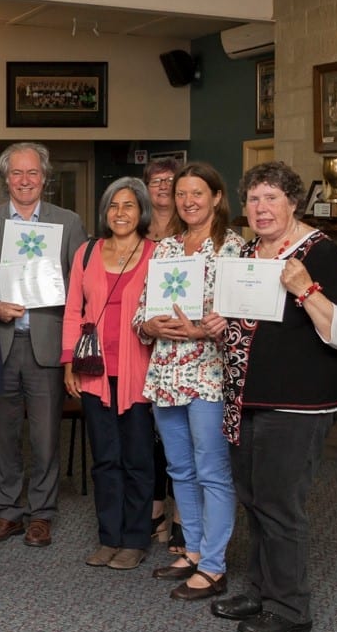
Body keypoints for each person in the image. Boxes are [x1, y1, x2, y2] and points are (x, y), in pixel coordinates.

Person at [216, 161, 337, 632]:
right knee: (255, 500)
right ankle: (261, 589)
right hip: (247, 397)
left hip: (297, 404)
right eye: (254, 199)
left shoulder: (320, 253)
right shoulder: (246, 251)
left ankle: (290, 606)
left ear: (293, 203)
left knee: (281, 504)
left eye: (272, 198)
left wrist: (305, 289)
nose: (261, 209)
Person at [134, 162, 244, 602]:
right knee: (179, 467)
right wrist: (151, 326)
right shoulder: (166, 249)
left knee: (211, 470)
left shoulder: (235, 250)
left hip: (208, 374)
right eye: (181, 194)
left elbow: (242, 318)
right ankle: (193, 549)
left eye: (198, 193)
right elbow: (142, 313)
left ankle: (215, 565)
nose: (188, 201)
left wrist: (206, 330)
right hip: (166, 372)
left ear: (217, 197)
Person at [0, 143, 86, 549]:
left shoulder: (68, 223)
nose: (24, 180)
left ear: (44, 177)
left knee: (46, 436)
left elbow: (81, 288)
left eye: (32, 173)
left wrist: (51, 286)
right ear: (5, 178)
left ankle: (41, 513)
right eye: (17, 173)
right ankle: (7, 511)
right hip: (0, 343)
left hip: (46, 343)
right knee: (1, 434)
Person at [61, 177, 156, 571]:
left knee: (137, 458)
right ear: (105, 212)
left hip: (140, 372)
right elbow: (72, 311)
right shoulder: (86, 253)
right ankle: (108, 536)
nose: (121, 213)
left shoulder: (158, 253)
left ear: (142, 211)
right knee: (104, 459)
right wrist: (69, 363)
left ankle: (134, 539)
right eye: (114, 206)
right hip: (95, 372)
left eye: (129, 205)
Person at [142, 157, 182, 551]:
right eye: (155, 181)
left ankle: (181, 515)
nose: (163, 186)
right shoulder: (136, 230)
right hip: (145, 344)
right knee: (150, 435)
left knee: (180, 436)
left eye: (171, 180)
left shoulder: (191, 232)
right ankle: (155, 508)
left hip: (186, 347)